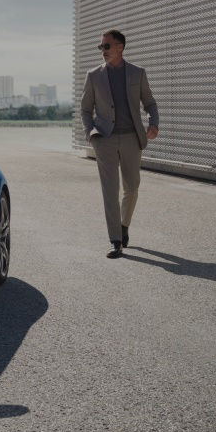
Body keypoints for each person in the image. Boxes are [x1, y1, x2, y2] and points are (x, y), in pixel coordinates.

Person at [81, 29, 159, 259]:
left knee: (132, 187)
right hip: (104, 139)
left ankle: (124, 225)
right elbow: (86, 109)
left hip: (131, 138)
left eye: (106, 46)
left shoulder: (137, 73)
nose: (102, 51)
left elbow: (150, 103)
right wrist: (91, 134)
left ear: (120, 48)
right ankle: (116, 240)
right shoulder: (93, 75)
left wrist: (153, 123)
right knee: (110, 190)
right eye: (101, 47)